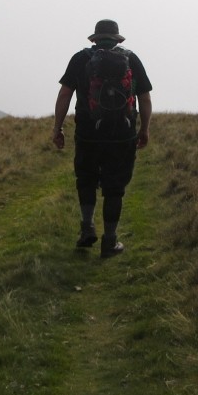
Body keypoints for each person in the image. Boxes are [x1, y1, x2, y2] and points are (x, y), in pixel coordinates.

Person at [52, 19, 153, 258]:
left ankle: (87, 227)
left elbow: (65, 93)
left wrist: (57, 128)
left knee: (86, 179)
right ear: (117, 39)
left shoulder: (80, 59)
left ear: (94, 39)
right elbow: (145, 98)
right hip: (122, 135)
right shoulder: (131, 59)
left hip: (88, 133)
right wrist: (144, 129)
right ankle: (110, 241)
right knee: (114, 188)